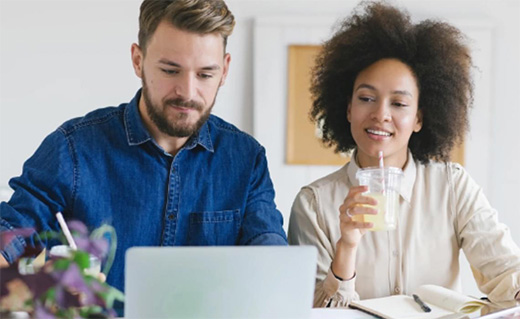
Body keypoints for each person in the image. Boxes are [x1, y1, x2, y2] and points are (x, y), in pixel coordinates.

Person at [0, 0, 287, 303]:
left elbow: (273, 264)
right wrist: (42, 286)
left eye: (205, 74)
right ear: (138, 60)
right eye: (170, 70)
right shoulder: (73, 150)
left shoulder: (246, 159)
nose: (188, 93)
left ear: (225, 69)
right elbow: (9, 238)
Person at [288, 1, 520, 309]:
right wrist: (348, 245)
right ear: (347, 108)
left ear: (420, 118)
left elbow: (505, 271)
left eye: (398, 103)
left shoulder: (452, 186)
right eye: (366, 98)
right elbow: (308, 312)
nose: (381, 114)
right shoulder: (314, 205)